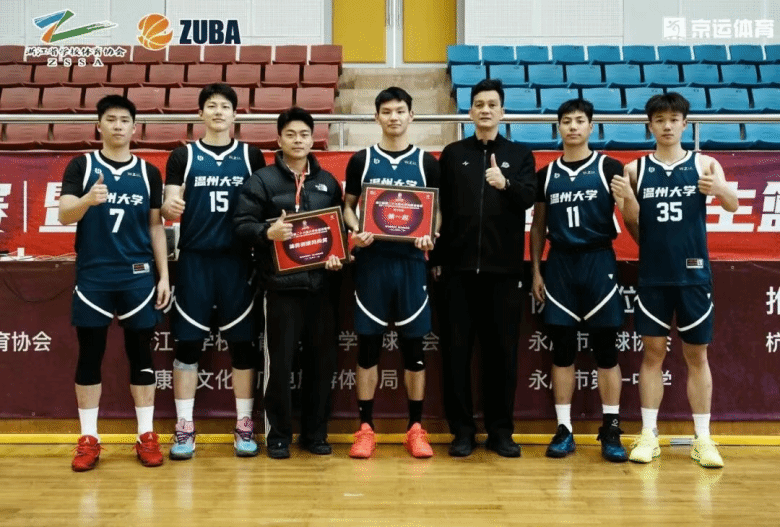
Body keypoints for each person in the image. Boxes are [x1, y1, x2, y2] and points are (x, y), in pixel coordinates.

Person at [612, 92, 738, 468]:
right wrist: (629, 204)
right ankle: (649, 434)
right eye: (660, 120)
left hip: (694, 276)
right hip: (654, 276)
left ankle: (703, 438)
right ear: (649, 126)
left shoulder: (705, 164)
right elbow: (633, 224)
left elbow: (732, 204)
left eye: (673, 119)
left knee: (697, 355)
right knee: (652, 354)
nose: (667, 126)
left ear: (685, 123)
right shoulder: (634, 170)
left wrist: (720, 189)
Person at [59, 95, 170, 472]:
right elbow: (64, 215)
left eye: (125, 120)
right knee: (90, 356)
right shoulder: (82, 165)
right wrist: (88, 200)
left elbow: (155, 225)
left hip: (137, 276)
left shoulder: (148, 172)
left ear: (134, 128)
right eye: (111, 119)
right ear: (99, 125)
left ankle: (146, 435)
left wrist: (163, 275)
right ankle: (88, 438)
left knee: (142, 356)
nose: (118, 125)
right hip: (94, 276)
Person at [161, 83, 266, 460]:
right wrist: (170, 207)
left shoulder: (251, 156)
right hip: (195, 260)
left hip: (238, 261)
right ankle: (184, 426)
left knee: (243, 346)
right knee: (187, 345)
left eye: (225, 106)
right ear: (200, 113)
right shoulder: (183, 156)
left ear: (236, 114)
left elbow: (263, 205)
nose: (218, 112)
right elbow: (169, 202)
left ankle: (244, 424)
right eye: (211, 106)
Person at [433, 79, 536, 457]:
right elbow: (438, 208)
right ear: (470, 111)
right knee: (456, 355)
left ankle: (500, 432)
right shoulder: (452, 154)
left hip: (504, 273)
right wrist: (437, 259)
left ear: (502, 111)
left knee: (502, 357)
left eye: (492, 104)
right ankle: (462, 432)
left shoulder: (520, 155)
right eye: (479, 104)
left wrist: (505, 183)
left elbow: (529, 198)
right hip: (457, 273)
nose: (486, 110)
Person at [233, 107, 344, 459]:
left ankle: (315, 434)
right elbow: (241, 226)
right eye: (291, 134)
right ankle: (278, 435)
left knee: (321, 366)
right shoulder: (262, 181)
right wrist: (268, 231)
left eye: (304, 135)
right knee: (279, 366)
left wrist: (337, 256)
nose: (298, 140)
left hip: (321, 288)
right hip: (280, 289)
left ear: (313, 140)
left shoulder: (328, 182)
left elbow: (338, 232)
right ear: (279, 139)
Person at [530, 99, 632, 463]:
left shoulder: (609, 168)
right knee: (562, 350)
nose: (573, 127)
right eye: (566, 121)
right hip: (560, 263)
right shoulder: (546, 174)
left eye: (579, 121)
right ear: (558, 128)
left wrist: (630, 203)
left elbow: (631, 216)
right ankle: (564, 428)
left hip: (598, 259)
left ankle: (611, 427)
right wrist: (536, 269)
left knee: (606, 350)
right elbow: (538, 225)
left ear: (591, 127)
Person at [342, 87, 441, 459]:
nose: (394, 117)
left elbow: (437, 210)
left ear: (411, 116)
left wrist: (432, 234)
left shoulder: (426, 162)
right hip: (373, 263)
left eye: (400, 111)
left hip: (411, 264)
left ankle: (415, 428)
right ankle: (365, 428)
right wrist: (356, 230)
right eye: (387, 111)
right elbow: (348, 206)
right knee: (368, 348)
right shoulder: (361, 160)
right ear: (376, 117)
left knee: (414, 349)